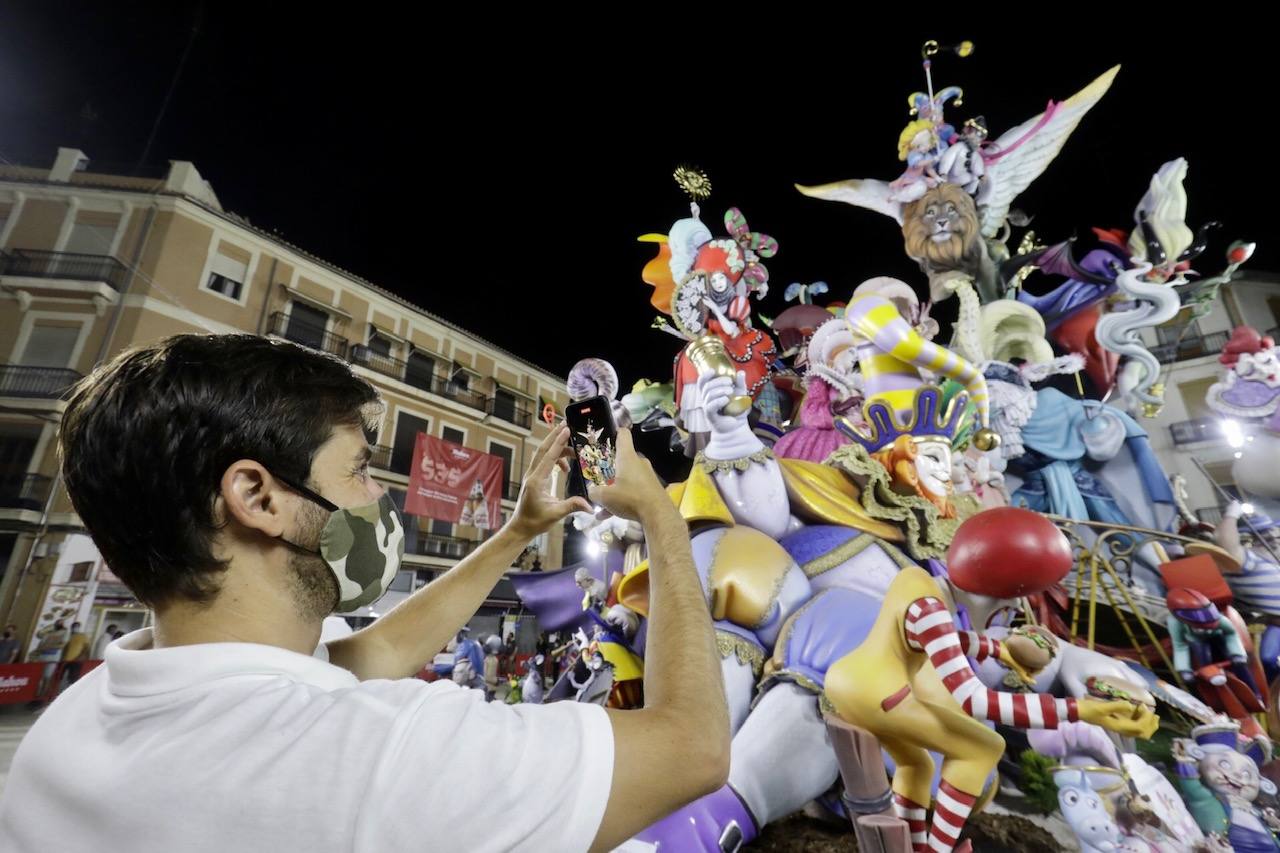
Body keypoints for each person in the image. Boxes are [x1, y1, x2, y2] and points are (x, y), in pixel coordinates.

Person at [0, 334, 728, 852]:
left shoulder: (73, 724)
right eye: (356, 470)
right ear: (257, 495)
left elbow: (374, 649)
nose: (378, 497)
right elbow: (692, 747)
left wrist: (514, 533)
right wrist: (660, 513)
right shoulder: (383, 757)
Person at [60, 622, 90, 687]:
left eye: (77, 626)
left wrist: (81, 657)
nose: (75, 628)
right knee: (61, 678)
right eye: (74, 626)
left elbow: (86, 648)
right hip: (65, 660)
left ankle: (70, 694)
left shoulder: (82, 636)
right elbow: (65, 648)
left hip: (76, 661)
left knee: (73, 678)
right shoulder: (68, 636)